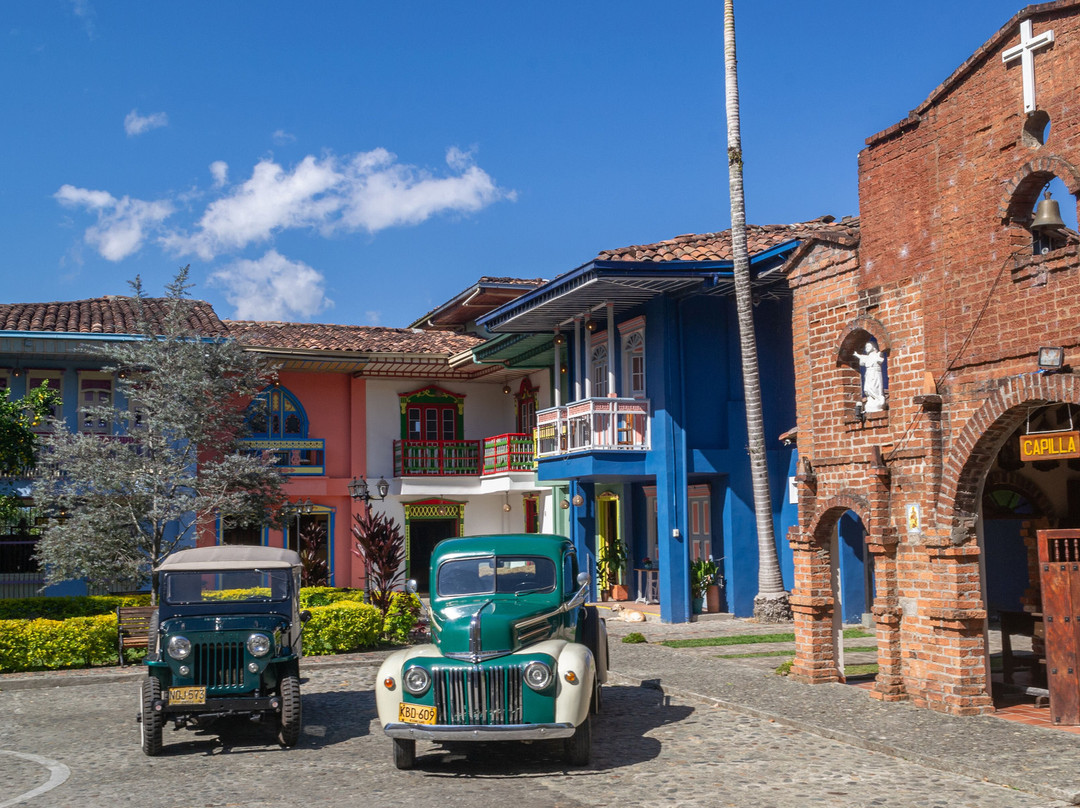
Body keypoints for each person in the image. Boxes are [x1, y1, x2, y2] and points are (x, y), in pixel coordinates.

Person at [854, 342, 886, 412]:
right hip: (868, 374)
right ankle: (871, 399)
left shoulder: (877, 355)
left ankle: (878, 399)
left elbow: (880, 359)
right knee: (867, 388)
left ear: (873, 347)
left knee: (875, 387)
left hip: (875, 373)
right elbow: (862, 357)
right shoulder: (867, 357)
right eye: (866, 347)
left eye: (868, 346)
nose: (867, 348)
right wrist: (856, 355)